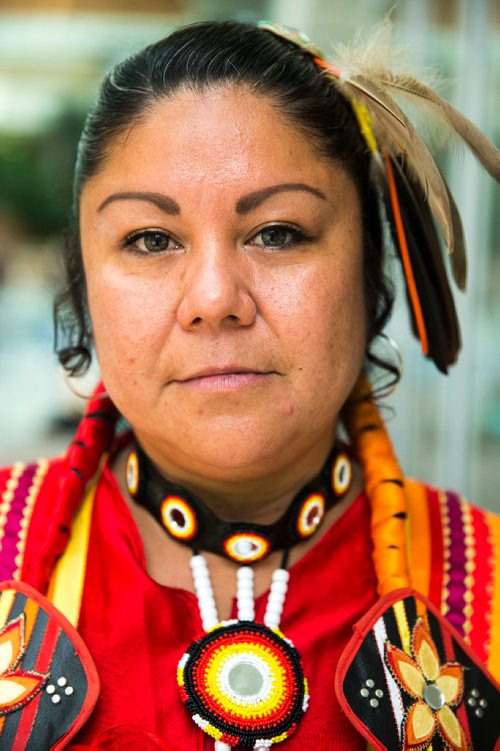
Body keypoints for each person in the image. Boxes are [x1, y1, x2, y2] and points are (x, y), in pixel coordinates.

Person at [0, 19, 498, 751]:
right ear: (83, 289)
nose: (214, 297)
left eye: (278, 232)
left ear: (369, 275)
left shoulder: (486, 589)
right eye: (149, 239)